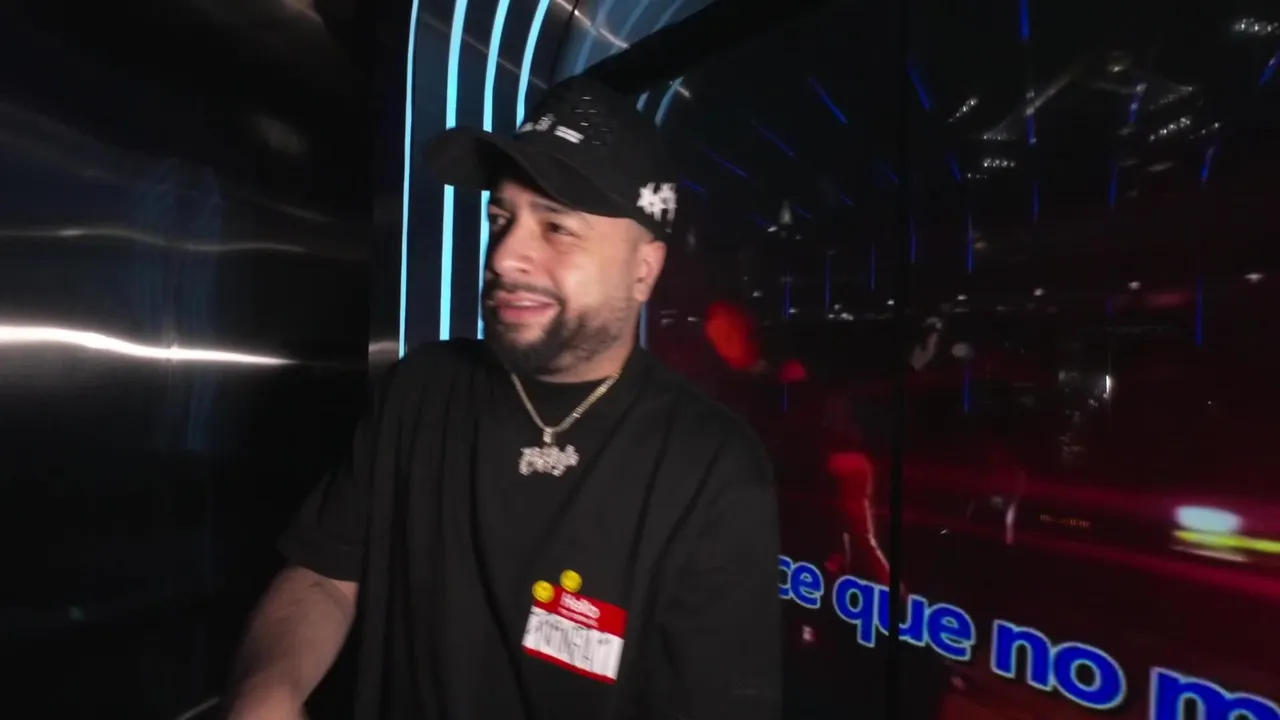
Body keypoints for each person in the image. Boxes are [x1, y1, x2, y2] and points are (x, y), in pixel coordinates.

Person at [224, 76, 782, 720]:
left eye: (557, 227)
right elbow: (324, 576)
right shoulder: (419, 391)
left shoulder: (711, 469)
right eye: (501, 219)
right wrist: (267, 690)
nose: (505, 255)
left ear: (642, 271)